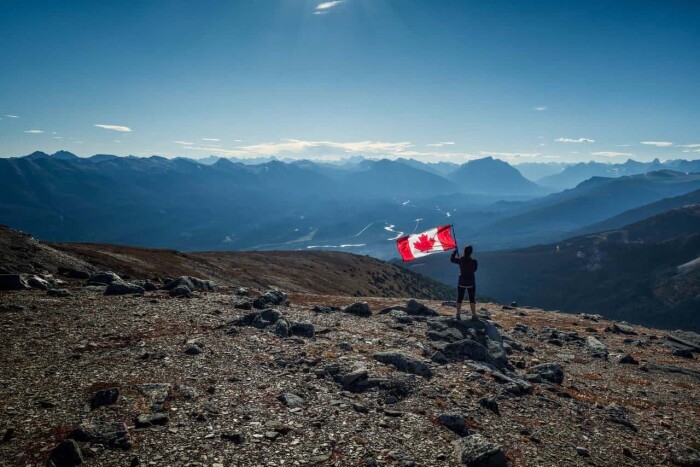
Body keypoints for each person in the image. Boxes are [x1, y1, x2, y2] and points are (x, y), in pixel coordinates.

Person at [450, 245, 478, 320]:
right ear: (471, 252)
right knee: (472, 298)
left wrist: (454, 252)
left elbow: (452, 260)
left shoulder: (460, 260)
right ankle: (474, 315)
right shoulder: (474, 262)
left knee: (460, 298)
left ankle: (458, 314)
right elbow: (474, 270)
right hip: (471, 282)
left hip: (461, 282)